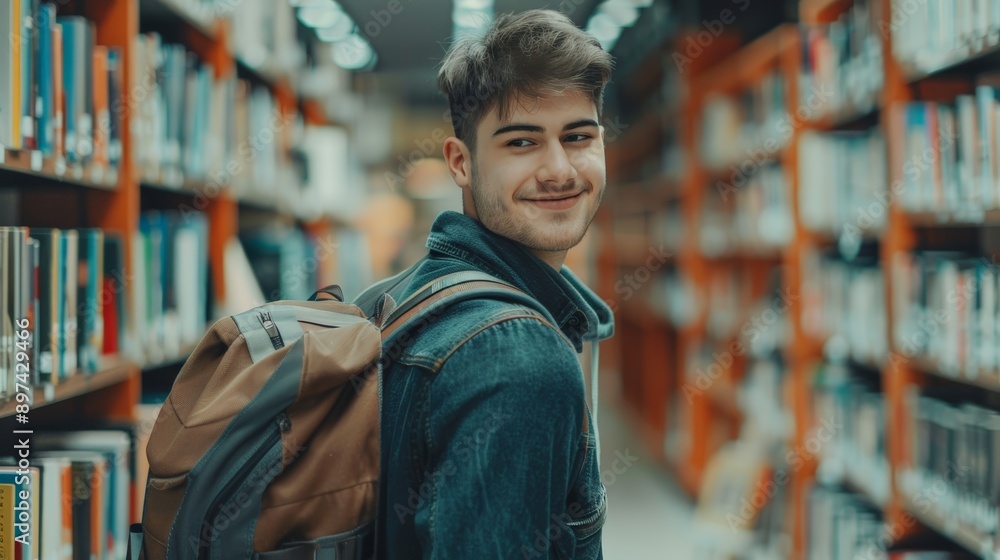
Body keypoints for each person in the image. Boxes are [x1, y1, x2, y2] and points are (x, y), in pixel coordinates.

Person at [372, 9, 615, 559]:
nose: (559, 169)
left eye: (577, 136)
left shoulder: (406, 294)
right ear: (460, 162)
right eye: (521, 143)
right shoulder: (519, 362)